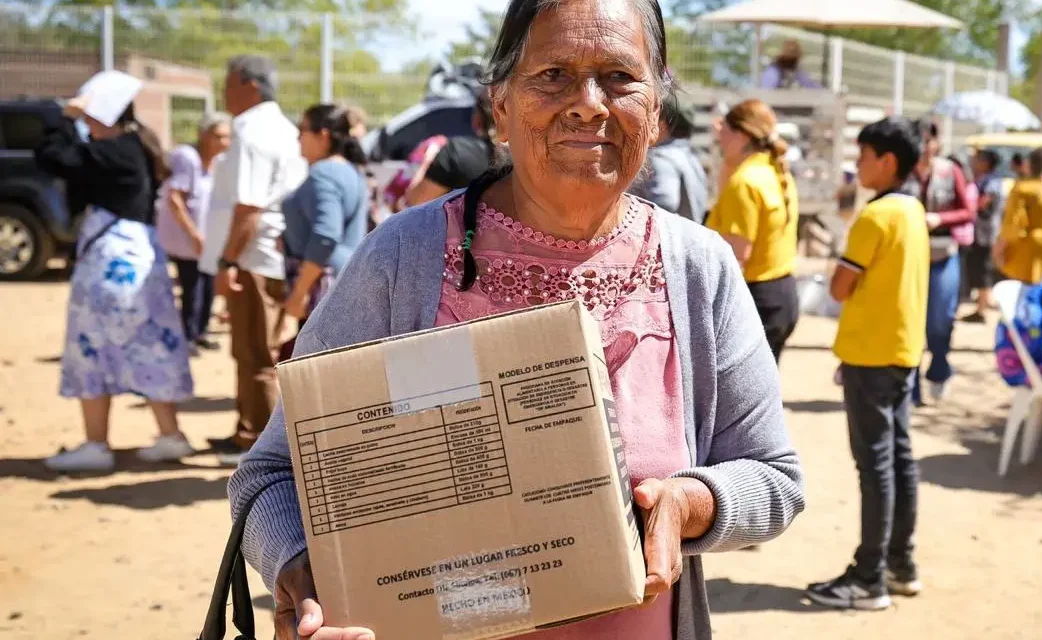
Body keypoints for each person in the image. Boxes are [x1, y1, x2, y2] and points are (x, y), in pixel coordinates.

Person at [227, 1, 805, 638]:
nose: (588, 103)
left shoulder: (698, 266)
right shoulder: (405, 256)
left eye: (619, 76)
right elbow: (272, 474)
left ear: (658, 110)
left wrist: (691, 503)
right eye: (553, 75)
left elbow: (774, 478)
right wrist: (304, 574)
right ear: (499, 106)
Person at [36, 71, 196, 472]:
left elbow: (52, 156)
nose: (86, 126)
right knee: (152, 343)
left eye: (92, 118)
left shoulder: (111, 151)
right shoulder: (135, 147)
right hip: (142, 260)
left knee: (91, 347)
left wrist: (65, 118)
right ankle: (169, 434)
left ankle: (96, 444)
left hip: (109, 264)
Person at [806, 117, 928, 611]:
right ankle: (900, 564)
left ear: (888, 161)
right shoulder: (914, 209)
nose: (858, 166)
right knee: (898, 459)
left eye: (864, 156)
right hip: (901, 351)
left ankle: (868, 577)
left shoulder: (874, 217)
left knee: (876, 466)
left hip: (869, 355)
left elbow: (839, 286)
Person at [200, 55, 307, 464]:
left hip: (254, 257)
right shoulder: (280, 127)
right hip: (263, 254)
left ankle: (261, 449)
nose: (224, 93)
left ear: (251, 86)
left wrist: (228, 263)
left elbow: (249, 207)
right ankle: (247, 433)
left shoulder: (251, 130)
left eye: (229, 84)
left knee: (257, 354)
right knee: (249, 351)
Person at [706, 98, 801, 362]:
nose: (719, 139)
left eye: (723, 131)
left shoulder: (745, 182)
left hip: (758, 299)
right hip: (780, 294)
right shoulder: (773, 169)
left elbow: (737, 257)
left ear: (742, 135)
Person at [902, 119, 975, 404]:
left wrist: (940, 219)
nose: (925, 147)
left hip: (943, 255)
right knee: (911, 322)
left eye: (929, 141)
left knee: (940, 321)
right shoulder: (903, 171)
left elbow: (967, 211)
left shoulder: (950, 170)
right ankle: (913, 388)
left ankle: (940, 368)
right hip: (909, 257)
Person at [280, 104, 370, 326]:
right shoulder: (350, 170)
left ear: (323, 135)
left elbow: (325, 236)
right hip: (343, 284)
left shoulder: (325, 173)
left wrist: (299, 292)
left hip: (323, 288)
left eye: (303, 130)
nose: (298, 138)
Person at [155, 112, 231, 353]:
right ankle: (186, 335)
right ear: (203, 135)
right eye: (218, 136)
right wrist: (193, 235)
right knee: (192, 286)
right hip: (186, 239)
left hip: (207, 238)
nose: (224, 143)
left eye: (227, 137)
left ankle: (201, 331)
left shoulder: (218, 162)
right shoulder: (187, 158)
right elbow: (175, 200)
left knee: (208, 286)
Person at [402, 84, 496, 207]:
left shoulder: (456, 152)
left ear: (477, 117)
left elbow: (416, 202)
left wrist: (426, 162)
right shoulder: (521, 157)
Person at [994, 146, 1042, 284]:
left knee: (1023, 292)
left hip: (1025, 248)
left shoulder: (1022, 189)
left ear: (1028, 163)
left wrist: (999, 249)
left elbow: (1013, 224)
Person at [629, 91, 709, 223]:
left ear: (663, 124)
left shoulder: (662, 158)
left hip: (665, 241)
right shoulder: (691, 157)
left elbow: (665, 202)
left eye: (654, 116)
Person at [961, 149, 1004, 322]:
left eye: (978, 159)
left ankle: (982, 309)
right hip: (980, 232)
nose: (974, 162)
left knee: (984, 270)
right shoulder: (984, 180)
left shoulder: (991, 182)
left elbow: (982, 203)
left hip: (985, 233)